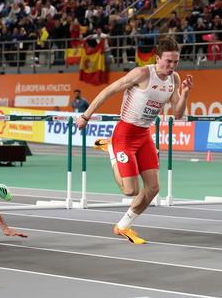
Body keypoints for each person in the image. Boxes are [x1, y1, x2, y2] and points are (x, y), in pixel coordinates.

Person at [76, 36, 193, 244]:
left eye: (176, 62)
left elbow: (178, 114)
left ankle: (123, 226)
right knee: (131, 190)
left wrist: (184, 94)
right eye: (168, 61)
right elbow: (108, 91)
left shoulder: (174, 79)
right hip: (124, 134)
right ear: (157, 58)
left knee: (153, 188)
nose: (172, 66)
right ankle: (111, 148)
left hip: (144, 135)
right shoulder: (141, 73)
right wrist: (86, 116)